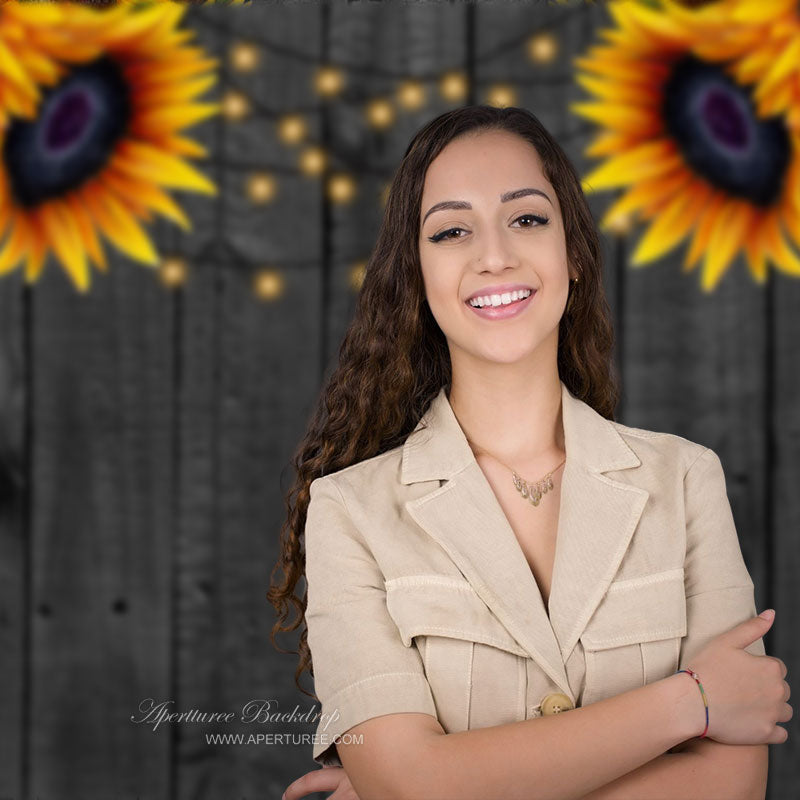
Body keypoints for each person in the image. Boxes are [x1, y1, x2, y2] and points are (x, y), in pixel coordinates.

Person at [270, 105, 791, 800]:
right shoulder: (349, 512)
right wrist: (690, 702)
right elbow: (408, 785)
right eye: (452, 231)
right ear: (416, 278)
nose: (495, 256)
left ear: (572, 252)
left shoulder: (687, 480)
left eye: (527, 219)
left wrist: (440, 784)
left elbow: (732, 785)